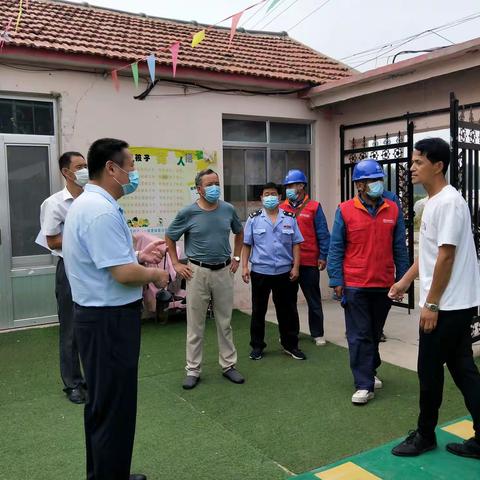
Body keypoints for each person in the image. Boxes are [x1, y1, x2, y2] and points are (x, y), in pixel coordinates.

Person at [63, 138, 169, 480]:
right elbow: (122, 275)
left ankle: (107, 474)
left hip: (99, 318)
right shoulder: (100, 210)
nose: (133, 175)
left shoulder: (92, 204)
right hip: (108, 321)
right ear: (112, 168)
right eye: (131, 167)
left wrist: (138, 257)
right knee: (114, 407)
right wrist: (157, 274)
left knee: (104, 405)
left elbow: (111, 262)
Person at [390, 138, 480, 459]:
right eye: (412, 162)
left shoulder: (449, 203)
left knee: (429, 369)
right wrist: (404, 282)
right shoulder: (432, 203)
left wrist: (431, 303)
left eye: (419, 162)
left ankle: (425, 435)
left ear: (438, 166)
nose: (412, 168)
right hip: (450, 303)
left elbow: (446, 257)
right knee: (462, 367)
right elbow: (428, 255)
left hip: (448, 305)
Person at [327, 158, 409, 405]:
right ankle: (363, 384)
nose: (377, 184)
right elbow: (336, 247)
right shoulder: (345, 210)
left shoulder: (393, 209)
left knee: (373, 333)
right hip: (355, 283)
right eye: (371, 181)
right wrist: (336, 279)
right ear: (359, 185)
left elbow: (400, 248)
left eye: (379, 180)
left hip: (383, 283)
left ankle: (370, 369)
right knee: (359, 334)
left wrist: (402, 279)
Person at [165, 168, 245, 390]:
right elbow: (170, 237)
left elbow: (239, 233)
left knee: (225, 322)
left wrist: (237, 257)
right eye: (209, 184)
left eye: (216, 183)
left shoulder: (228, 210)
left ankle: (229, 366)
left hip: (223, 270)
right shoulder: (187, 213)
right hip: (196, 272)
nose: (214, 188)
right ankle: (193, 369)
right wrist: (176, 264)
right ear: (199, 189)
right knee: (195, 323)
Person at [36, 151, 88, 404]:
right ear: (66, 172)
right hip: (68, 269)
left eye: (86, 165)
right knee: (70, 328)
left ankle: (90, 378)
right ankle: (73, 384)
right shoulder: (54, 203)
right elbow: (52, 239)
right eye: (79, 167)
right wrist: (84, 235)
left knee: (92, 324)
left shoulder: (93, 199)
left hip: (94, 269)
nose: (84, 170)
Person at [242, 182, 306, 361]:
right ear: (261, 198)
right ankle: (257, 346)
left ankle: (290, 345)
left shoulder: (289, 218)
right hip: (261, 272)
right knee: (258, 310)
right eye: (266, 194)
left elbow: (296, 244)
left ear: (280, 197)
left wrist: (296, 267)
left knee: (287, 311)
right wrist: (244, 267)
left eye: (273, 194)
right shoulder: (254, 219)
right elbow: (247, 244)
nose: (270, 197)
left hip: (284, 273)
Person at [281, 169, 330, 346]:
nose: (289, 189)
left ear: (301, 186)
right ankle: (290, 333)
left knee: (313, 300)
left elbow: (323, 233)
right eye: (287, 186)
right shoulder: (281, 208)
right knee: (288, 301)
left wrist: (323, 256)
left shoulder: (314, 207)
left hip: (309, 261)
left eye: (292, 185)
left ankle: (317, 333)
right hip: (287, 262)